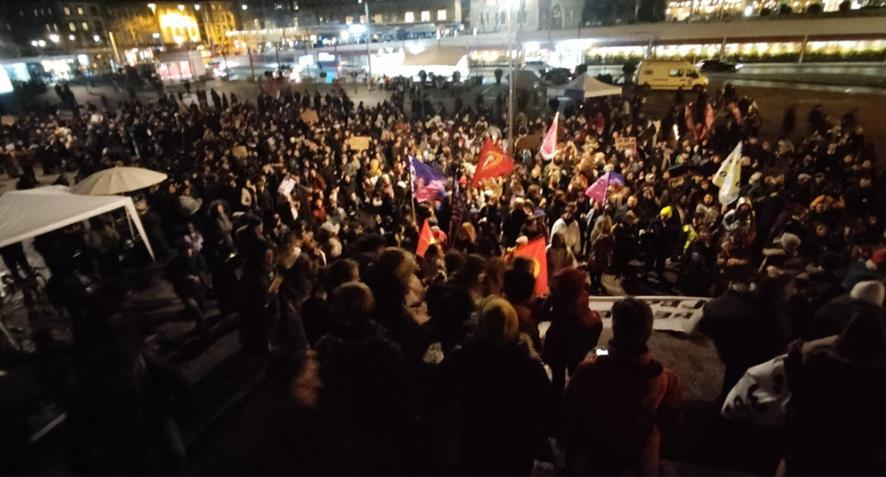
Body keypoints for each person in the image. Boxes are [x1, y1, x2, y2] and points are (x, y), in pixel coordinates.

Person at [559, 298, 683, 476]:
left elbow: (569, 412)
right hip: (640, 463)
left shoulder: (588, 371)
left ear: (615, 328)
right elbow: (671, 423)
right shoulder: (667, 380)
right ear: (648, 331)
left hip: (595, 460)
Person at [432, 297, 553, 475]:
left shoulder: (463, 357)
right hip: (516, 445)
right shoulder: (528, 363)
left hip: (475, 440)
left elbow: (438, 393)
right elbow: (547, 407)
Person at [314, 282, 421, 474]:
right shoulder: (387, 348)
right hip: (381, 428)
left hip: (343, 430)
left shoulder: (325, 347)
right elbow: (405, 391)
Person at [542, 268, 603, 394]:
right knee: (575, 375)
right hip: (576, 342)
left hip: (556, 341)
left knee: (557, 378)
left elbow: (542, 314)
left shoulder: (555, 297)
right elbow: (587, 318)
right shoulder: (583, 296)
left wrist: (552, 311)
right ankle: (574, 399)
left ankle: (556, 401)